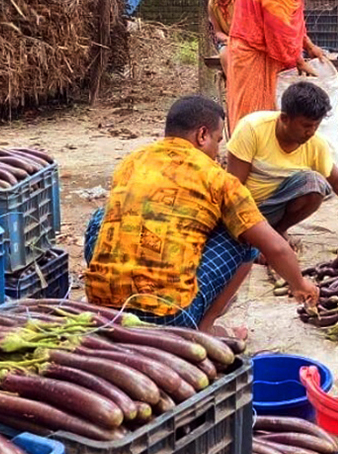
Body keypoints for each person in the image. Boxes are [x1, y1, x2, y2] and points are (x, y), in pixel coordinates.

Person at [83, 95, 319, 336]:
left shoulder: (131, 162)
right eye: (218, 141)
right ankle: (203, 331)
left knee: (102, 218)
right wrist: (300, 284)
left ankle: (106, 298)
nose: (218, 152)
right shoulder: (218, 178)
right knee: (246, 236)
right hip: (170, 317)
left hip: (106, 313)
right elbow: (276, 248)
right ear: (202, 135)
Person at [227, 81, 338, 244]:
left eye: (316, 125)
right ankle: (261, 238)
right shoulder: (252, 129)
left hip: (277, 209)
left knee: (315, 183)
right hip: (246, 207)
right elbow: (233, 189)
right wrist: (256, 239)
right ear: (284, 118)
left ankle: (277, 231)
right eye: (305, 126)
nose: (311, 132)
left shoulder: (315, 144)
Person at [226, 0, 327, 128]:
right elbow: (278, 28)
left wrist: (309, 46)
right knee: (252, 123)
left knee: (267, 122)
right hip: (253, 58)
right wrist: (298, 61)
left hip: (265, 55)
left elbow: (290, 19)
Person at [206, 0, 236, 72]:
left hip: (245, 41)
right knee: (225, 54)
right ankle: (232, 87)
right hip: (227, 43)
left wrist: (237, 41)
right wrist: (227, 39)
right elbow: (217, 31)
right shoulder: (212, 4)